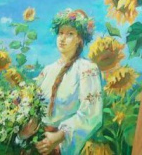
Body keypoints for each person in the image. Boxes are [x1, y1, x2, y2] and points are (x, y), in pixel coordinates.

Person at [33, 9, 102, 154]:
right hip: (38, 142)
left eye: (70, 34)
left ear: (80, 39)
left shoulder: (86, 69)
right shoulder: (47, 71)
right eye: (60, 33)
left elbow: (91, 115)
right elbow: (33, 106)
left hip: (62, 145)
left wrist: (59, 137)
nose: (62, 38)